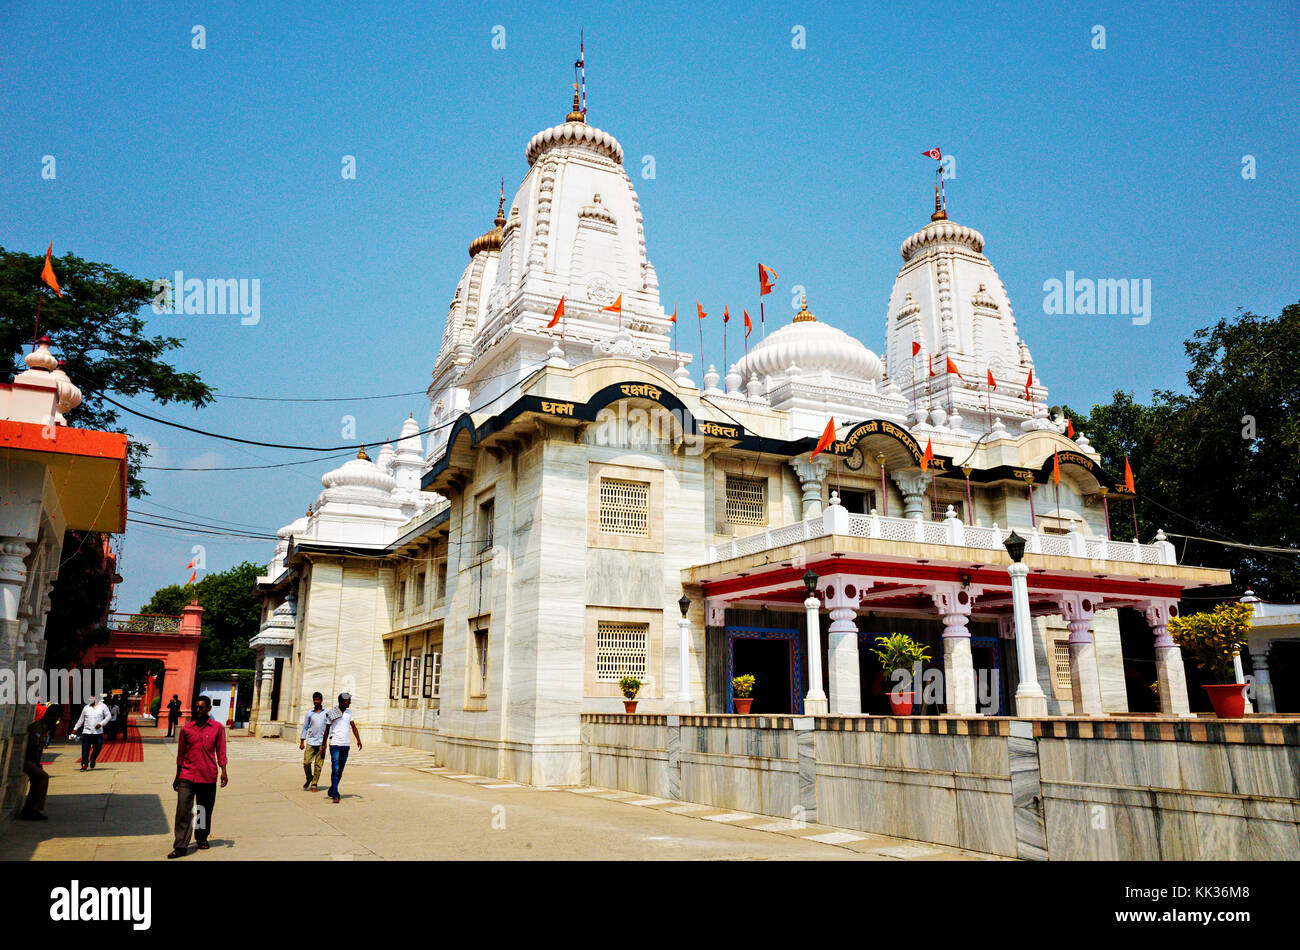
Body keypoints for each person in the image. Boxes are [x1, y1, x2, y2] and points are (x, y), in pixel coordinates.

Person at [169, 695, 228, 859]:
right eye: (196, 707)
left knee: (202, 810)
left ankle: (201, 837)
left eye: (201, 707)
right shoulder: (187, 729)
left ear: (209, 709)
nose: (198, 710)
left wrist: (224, 770)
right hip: (187, 775)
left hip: (208, 775)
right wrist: (177, 776)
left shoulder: (217, 728)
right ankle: (180, 846)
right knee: (183, 811)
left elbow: (221, 751)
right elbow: (181, 755)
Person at [19, 706, 62, 820]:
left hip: (31, 759)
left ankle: (29, 809)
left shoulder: (45, 727)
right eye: (55, 716)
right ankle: (34, 809)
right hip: (24, 759)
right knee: (43, 777)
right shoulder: (39, 727)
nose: (56, 720)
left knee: (37, 780)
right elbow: (32, 748)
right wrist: (37, 764)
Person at [323, 692, 362, 804]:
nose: (349, 702)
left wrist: (358, 740)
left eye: (349, 700)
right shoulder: (332, 713)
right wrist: (323, 745)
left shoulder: (349, 713)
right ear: (341, 701)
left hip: (346, 745)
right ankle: (336, 794)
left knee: (340, 770)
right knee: (335, 769)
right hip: (335, 745)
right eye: (347, 700)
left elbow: (353, 726)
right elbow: (327, 729)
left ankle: (332, 789)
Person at [71, 695, 111, 770]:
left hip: (98, 733)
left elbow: (108, 716)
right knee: (85, 749)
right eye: (88, 698)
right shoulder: (86, 708)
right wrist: (75, 728)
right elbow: (81, 720)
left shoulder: (103, 706)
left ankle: (93, 758)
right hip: (86, 732)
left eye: (91, 698)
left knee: (98, 748)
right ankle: (84, 764)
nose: (89, 699)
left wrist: (101, 724)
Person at [299, 692, 329, 792]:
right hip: (311, 741)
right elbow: (305, 727)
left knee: (318, 765)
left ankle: (314, 784)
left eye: (318, 700)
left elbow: (332, 725)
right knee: (306, 762)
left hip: (322, 743)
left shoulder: (327, 712)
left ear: (321, 700)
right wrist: (302, 741)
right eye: (314, 700)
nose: (316, 701)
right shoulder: (309, 713)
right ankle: (309, 777)